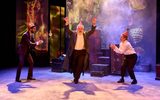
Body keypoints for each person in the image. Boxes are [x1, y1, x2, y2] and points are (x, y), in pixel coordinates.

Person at [63, 17, 96, 84]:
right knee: (74, 65)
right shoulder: (73, 34)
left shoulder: (85, 34)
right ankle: (75, 76)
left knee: (80, 65)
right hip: (74, 52)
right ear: (77, 29)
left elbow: (92, 31)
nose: (80, 29)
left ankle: (76, 79)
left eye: (81, 28)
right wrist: (67, 22)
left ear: (83, 29)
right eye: (79, 28)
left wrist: (93, 23)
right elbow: (67, 30)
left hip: (82, 52)